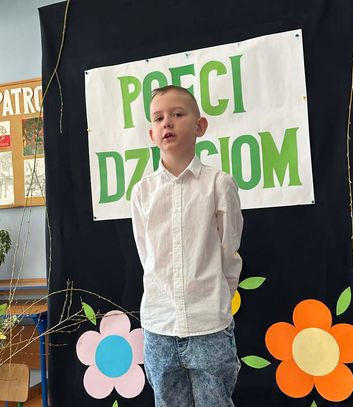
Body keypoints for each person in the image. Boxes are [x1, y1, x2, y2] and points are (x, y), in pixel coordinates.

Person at [131, 85, 244, 406]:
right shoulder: (142, 192)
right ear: (151, 134)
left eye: (178, 114)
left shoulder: (219, 184)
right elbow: (146, 255)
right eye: (158, 118)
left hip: (209, 325)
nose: (167, 122)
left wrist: (216, 301)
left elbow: (229, 252)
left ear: (200, 126)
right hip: (159, 326)